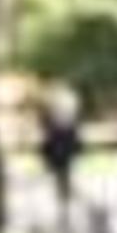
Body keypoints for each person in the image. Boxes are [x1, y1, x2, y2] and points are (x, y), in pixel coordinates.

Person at [32, 84, 84, 217]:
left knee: (62, 178)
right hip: (61, 144)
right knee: (62, 178)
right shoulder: (65, 101)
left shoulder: (55, 102)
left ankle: (66, 206)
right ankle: (65, 205)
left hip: (60, 145)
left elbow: (46, 126)